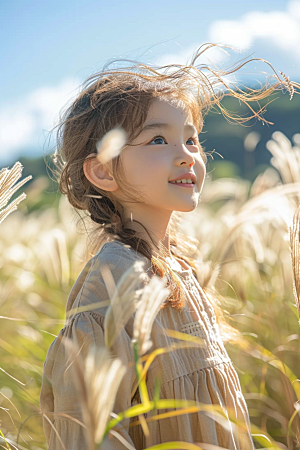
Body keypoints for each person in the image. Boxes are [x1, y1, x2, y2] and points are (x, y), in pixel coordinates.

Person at [40, 43, 298, 449]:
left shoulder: (178, 267)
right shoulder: (113, 280)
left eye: (192, 140)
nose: (186, 156)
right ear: (103, 170)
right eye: (158, 141)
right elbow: (88, 432)